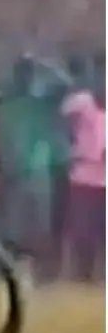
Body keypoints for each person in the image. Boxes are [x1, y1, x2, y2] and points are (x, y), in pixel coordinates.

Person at [0, 56, 69, 285]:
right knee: (12, 229)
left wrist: (43, 63)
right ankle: (14, 275)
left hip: (39, 171)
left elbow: (66, 83)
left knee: (40, 227)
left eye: (30, 74)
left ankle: (40, 275)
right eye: (22, 73)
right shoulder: (3, 103)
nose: (26, 78)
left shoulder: (45, 103)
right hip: (11, 172)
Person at [60, 67, 105, 283]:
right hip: (84, 175)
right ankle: (81, 274)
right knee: (82, 229)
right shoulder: (82, 102)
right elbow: (60, 116)